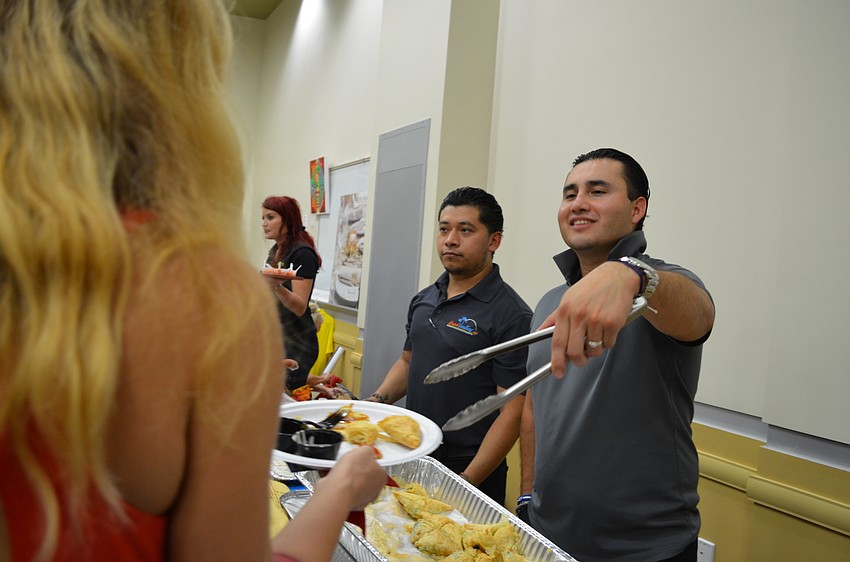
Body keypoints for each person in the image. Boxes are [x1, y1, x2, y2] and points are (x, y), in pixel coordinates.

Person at [0, 2, 386, 562]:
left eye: (270, 219)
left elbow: (301, 311)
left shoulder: (290, 258)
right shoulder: (199, 294)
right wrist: (342, 488)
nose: (263, 226)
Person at [518, 148, 715, 562]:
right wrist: (526, 498)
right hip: (549, 537)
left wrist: (632, 273)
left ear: (636, 209)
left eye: (597, 191)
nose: (578, 203)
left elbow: (699, 316)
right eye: (570, 193)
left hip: (644, 549)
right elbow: (536, 407)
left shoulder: (662, 286)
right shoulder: (552, 304)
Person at [366, 187, 532, 505]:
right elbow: (407, 361)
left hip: (470, 469)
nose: (450, 240)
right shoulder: (424, 299)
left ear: (493, 241)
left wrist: (465, 483)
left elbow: (511, 412)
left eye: (465, 230)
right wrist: (374, 402)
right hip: (412, 452)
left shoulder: (512, 314)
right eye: (444, 229)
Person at [262, 196, 328, 393]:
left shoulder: (302, 253)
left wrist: (276, 287)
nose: (264, 224)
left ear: (287, 220)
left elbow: (299, 307)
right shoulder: (276, 250)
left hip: (297, 343)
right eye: (263, 218)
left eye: (270, 217)